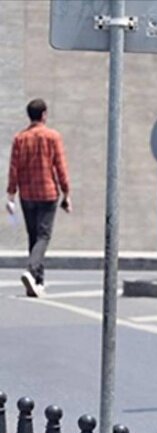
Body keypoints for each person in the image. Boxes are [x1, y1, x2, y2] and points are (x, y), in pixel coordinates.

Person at [6, 98, 70, 298]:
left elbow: (13, 168)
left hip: (27, 194)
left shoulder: (20, 138)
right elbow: (60, 166)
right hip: (48, 193)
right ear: (44, 114)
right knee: (43, 236)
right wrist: (67, 192)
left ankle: (37, 282)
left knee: (34, 237)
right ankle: (32, 271)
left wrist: (11, 194)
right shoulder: (52, 137)